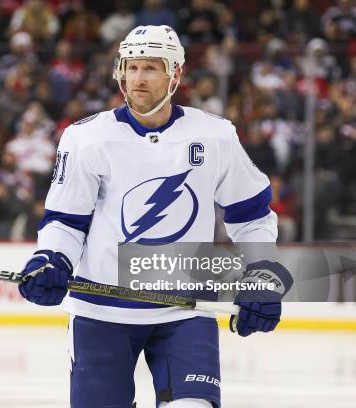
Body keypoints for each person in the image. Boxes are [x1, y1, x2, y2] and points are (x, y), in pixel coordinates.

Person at [18, 25, 293, 408]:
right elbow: (66, 220)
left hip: (185, 310)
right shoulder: (86, 138)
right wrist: (51, 258)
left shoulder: (214, 136)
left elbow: (251, 214)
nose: (137, 79)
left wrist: (262, 271)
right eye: (130, 67)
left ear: (175, 75)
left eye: (150, 67)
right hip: (101, 311)